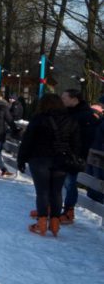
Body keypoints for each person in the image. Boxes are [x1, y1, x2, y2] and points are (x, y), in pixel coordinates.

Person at [17, 93, 81, 236]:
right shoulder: (70, 120)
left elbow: (27, 141)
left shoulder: (38, 119)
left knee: (42, 192)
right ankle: (55, 223)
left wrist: (21, 159)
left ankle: (42, 223)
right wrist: (72, 157)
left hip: (39, 159)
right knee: (57, 192)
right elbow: (76, 144)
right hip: (61, 160)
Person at [58, 88, 99, 223]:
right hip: (63, 153)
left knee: (69, 183)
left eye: (65, 98)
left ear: (74, 99)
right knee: (63, 182)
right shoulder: (67, 113)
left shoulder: (86, 116)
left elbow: (87, 138)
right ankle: (58, 209)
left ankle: (69, 211)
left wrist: (77, 155)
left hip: (74, 156)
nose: (62, 100)